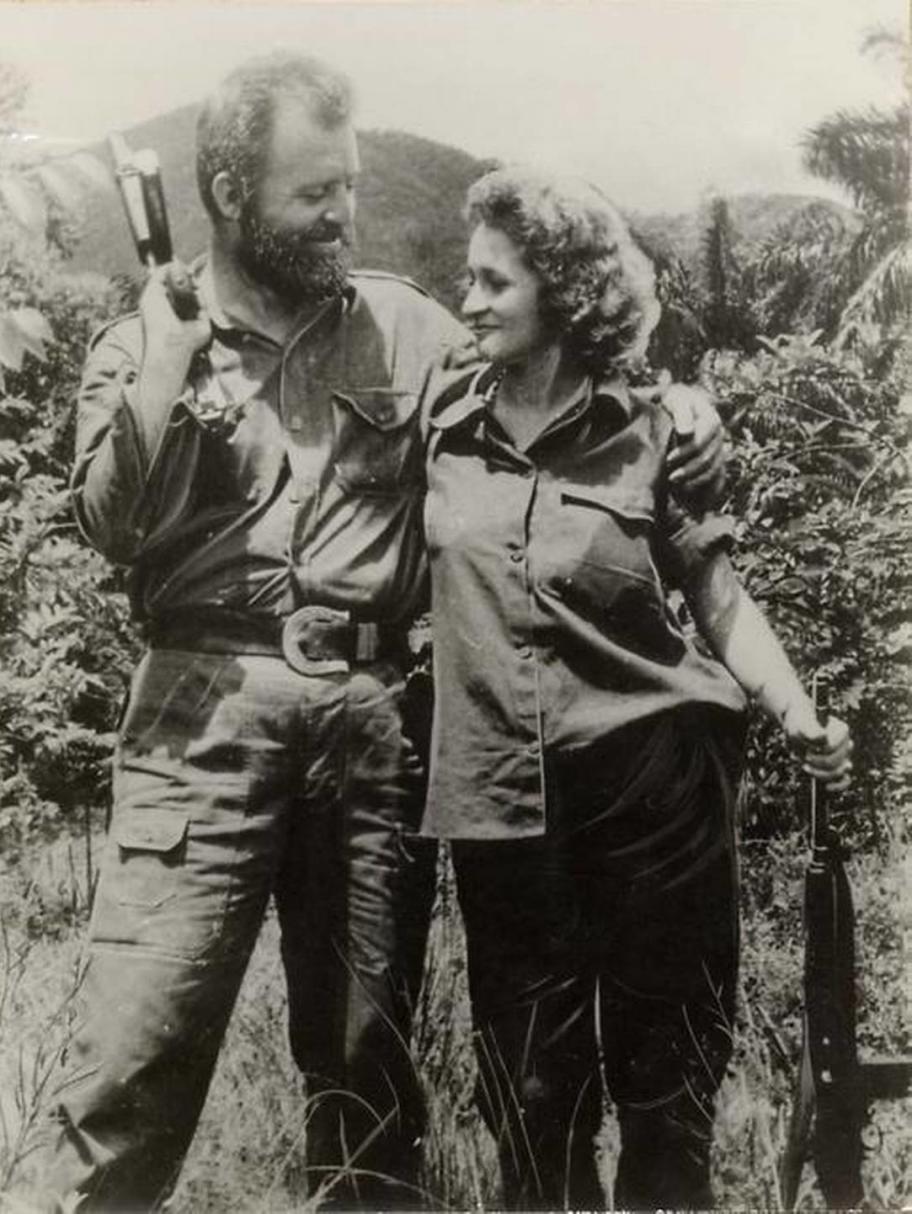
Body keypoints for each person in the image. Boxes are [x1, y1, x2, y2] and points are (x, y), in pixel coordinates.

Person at [46, 54, 727, 1212]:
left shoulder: (408, 329)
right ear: (226, 190)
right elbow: (111, 523)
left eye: (350, 187)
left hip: (373, 731)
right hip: (197, 721)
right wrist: (166, 362)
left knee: (368, 1079)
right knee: (130, 1065)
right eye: (314, 192)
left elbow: (554, 379)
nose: (343, 215)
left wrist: (672, 400)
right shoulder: (140, 339)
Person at [420, 167, 853, 1211]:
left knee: (667, 1092)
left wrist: (800, 716)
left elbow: (718, 597)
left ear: (562, 295)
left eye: (493, 281)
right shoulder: (437, 422)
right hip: (499, 802)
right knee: (527, 1100)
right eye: (467, 278)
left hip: (653, 790)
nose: (468, 299)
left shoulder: (655, 432)